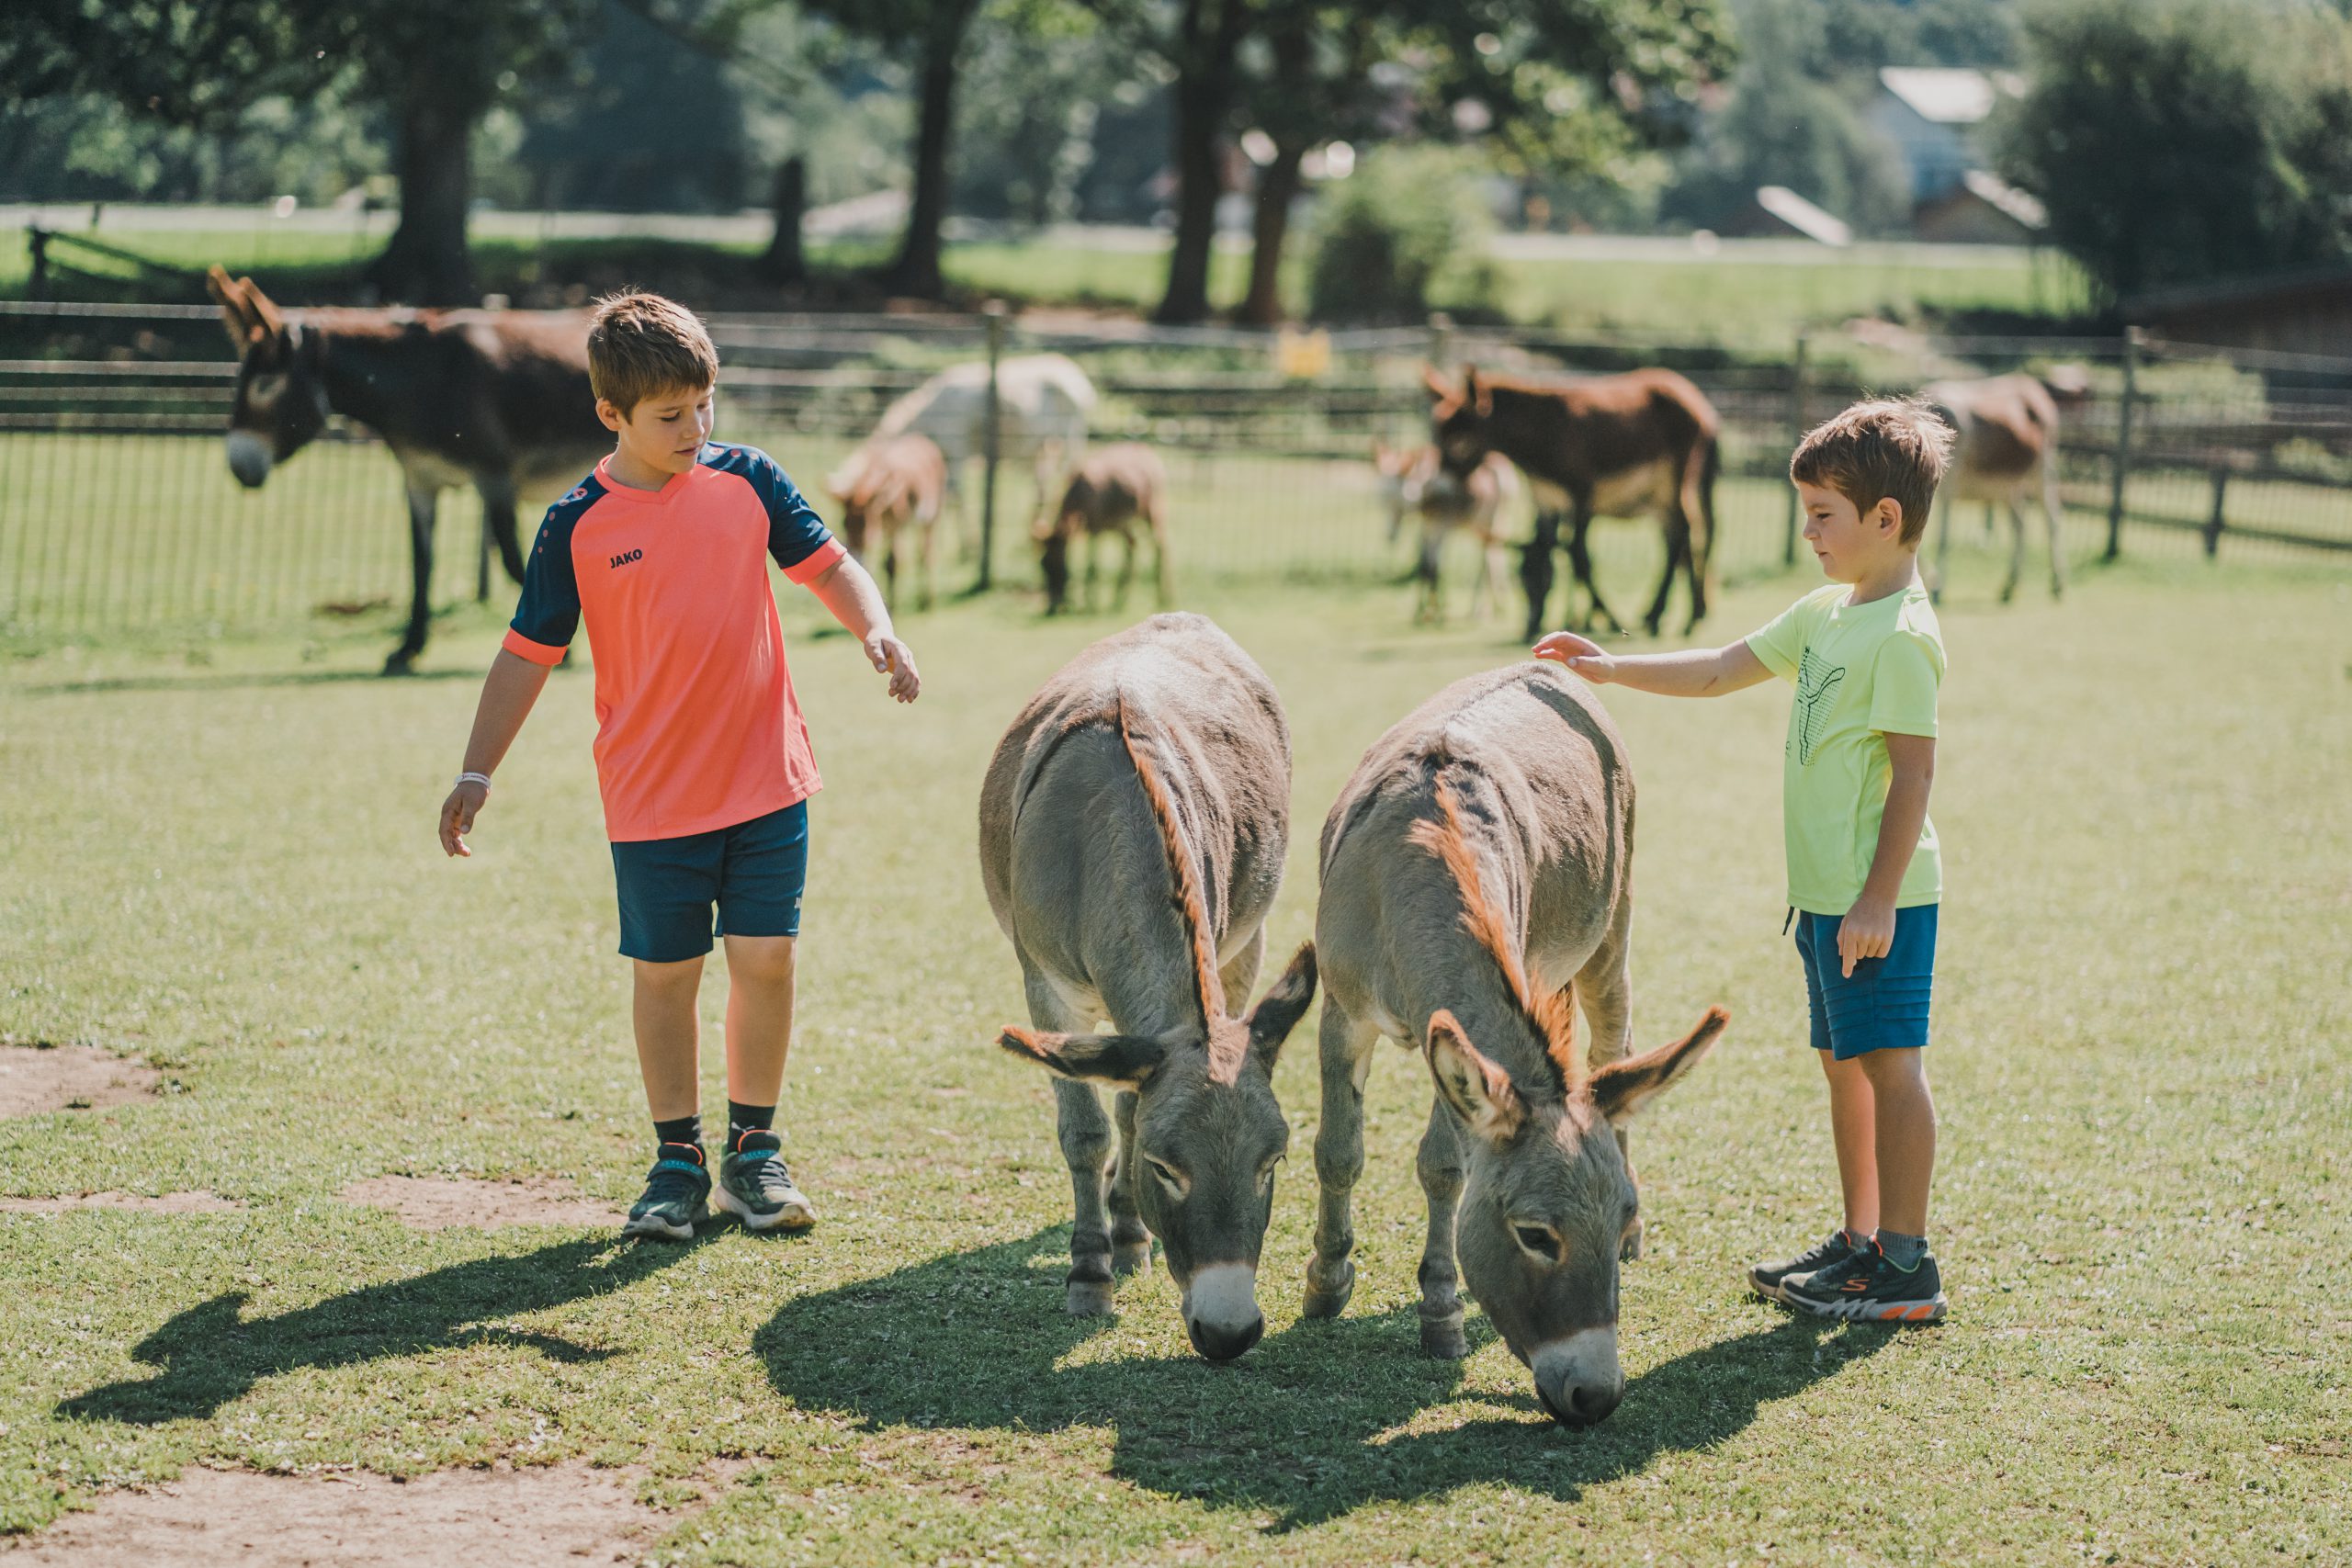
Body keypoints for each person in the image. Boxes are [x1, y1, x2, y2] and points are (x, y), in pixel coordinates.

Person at [436, 291, 921, 1240]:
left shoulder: (749, 480)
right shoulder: (575, 524)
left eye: (705, 405)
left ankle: (753, 1153)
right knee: (666, 974)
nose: (696, 429)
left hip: (766, 777)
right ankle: (676, 1162)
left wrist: (877, 628)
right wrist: (476, 772)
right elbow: (525, 656)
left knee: (767, 958)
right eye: (670, 416)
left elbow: (829, 563)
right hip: (652, 798)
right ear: (609, 413)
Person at [1533, 399, 1953, 1324]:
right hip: (1824, 901)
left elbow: (1915, 776)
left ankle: (1906, 1264)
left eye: (1823, 515)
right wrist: (1611, 668)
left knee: (1891, 1068)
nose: (1808, 533)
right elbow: (1723, 667)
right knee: (1844, 1066)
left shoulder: (1902, 637)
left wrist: (1878, 900)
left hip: (1877, 904)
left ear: (1886, 519)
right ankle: (1860, 1244)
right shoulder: (1828, 613)